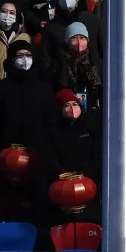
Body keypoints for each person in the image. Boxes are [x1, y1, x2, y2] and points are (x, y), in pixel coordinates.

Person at [43, 89, 103, 224]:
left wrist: (85, 175)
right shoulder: (52, 131)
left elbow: (98, 155)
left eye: (75, 104)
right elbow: (49, 157)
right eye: (67, 105)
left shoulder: (89, 127)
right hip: (63, 184)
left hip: (88, 183)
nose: (72, 108)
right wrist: (63, 175)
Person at [57, 21, 102, 112]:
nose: (78, 42)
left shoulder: (95, 61)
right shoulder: (59, 61)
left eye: (82, 38)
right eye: (74, 38)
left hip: (92, 109)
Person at [0, 0, 30, 83]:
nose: (8, 15)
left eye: (12, 13)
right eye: (4, 11)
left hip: (16, 85)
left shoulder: (24, 37)